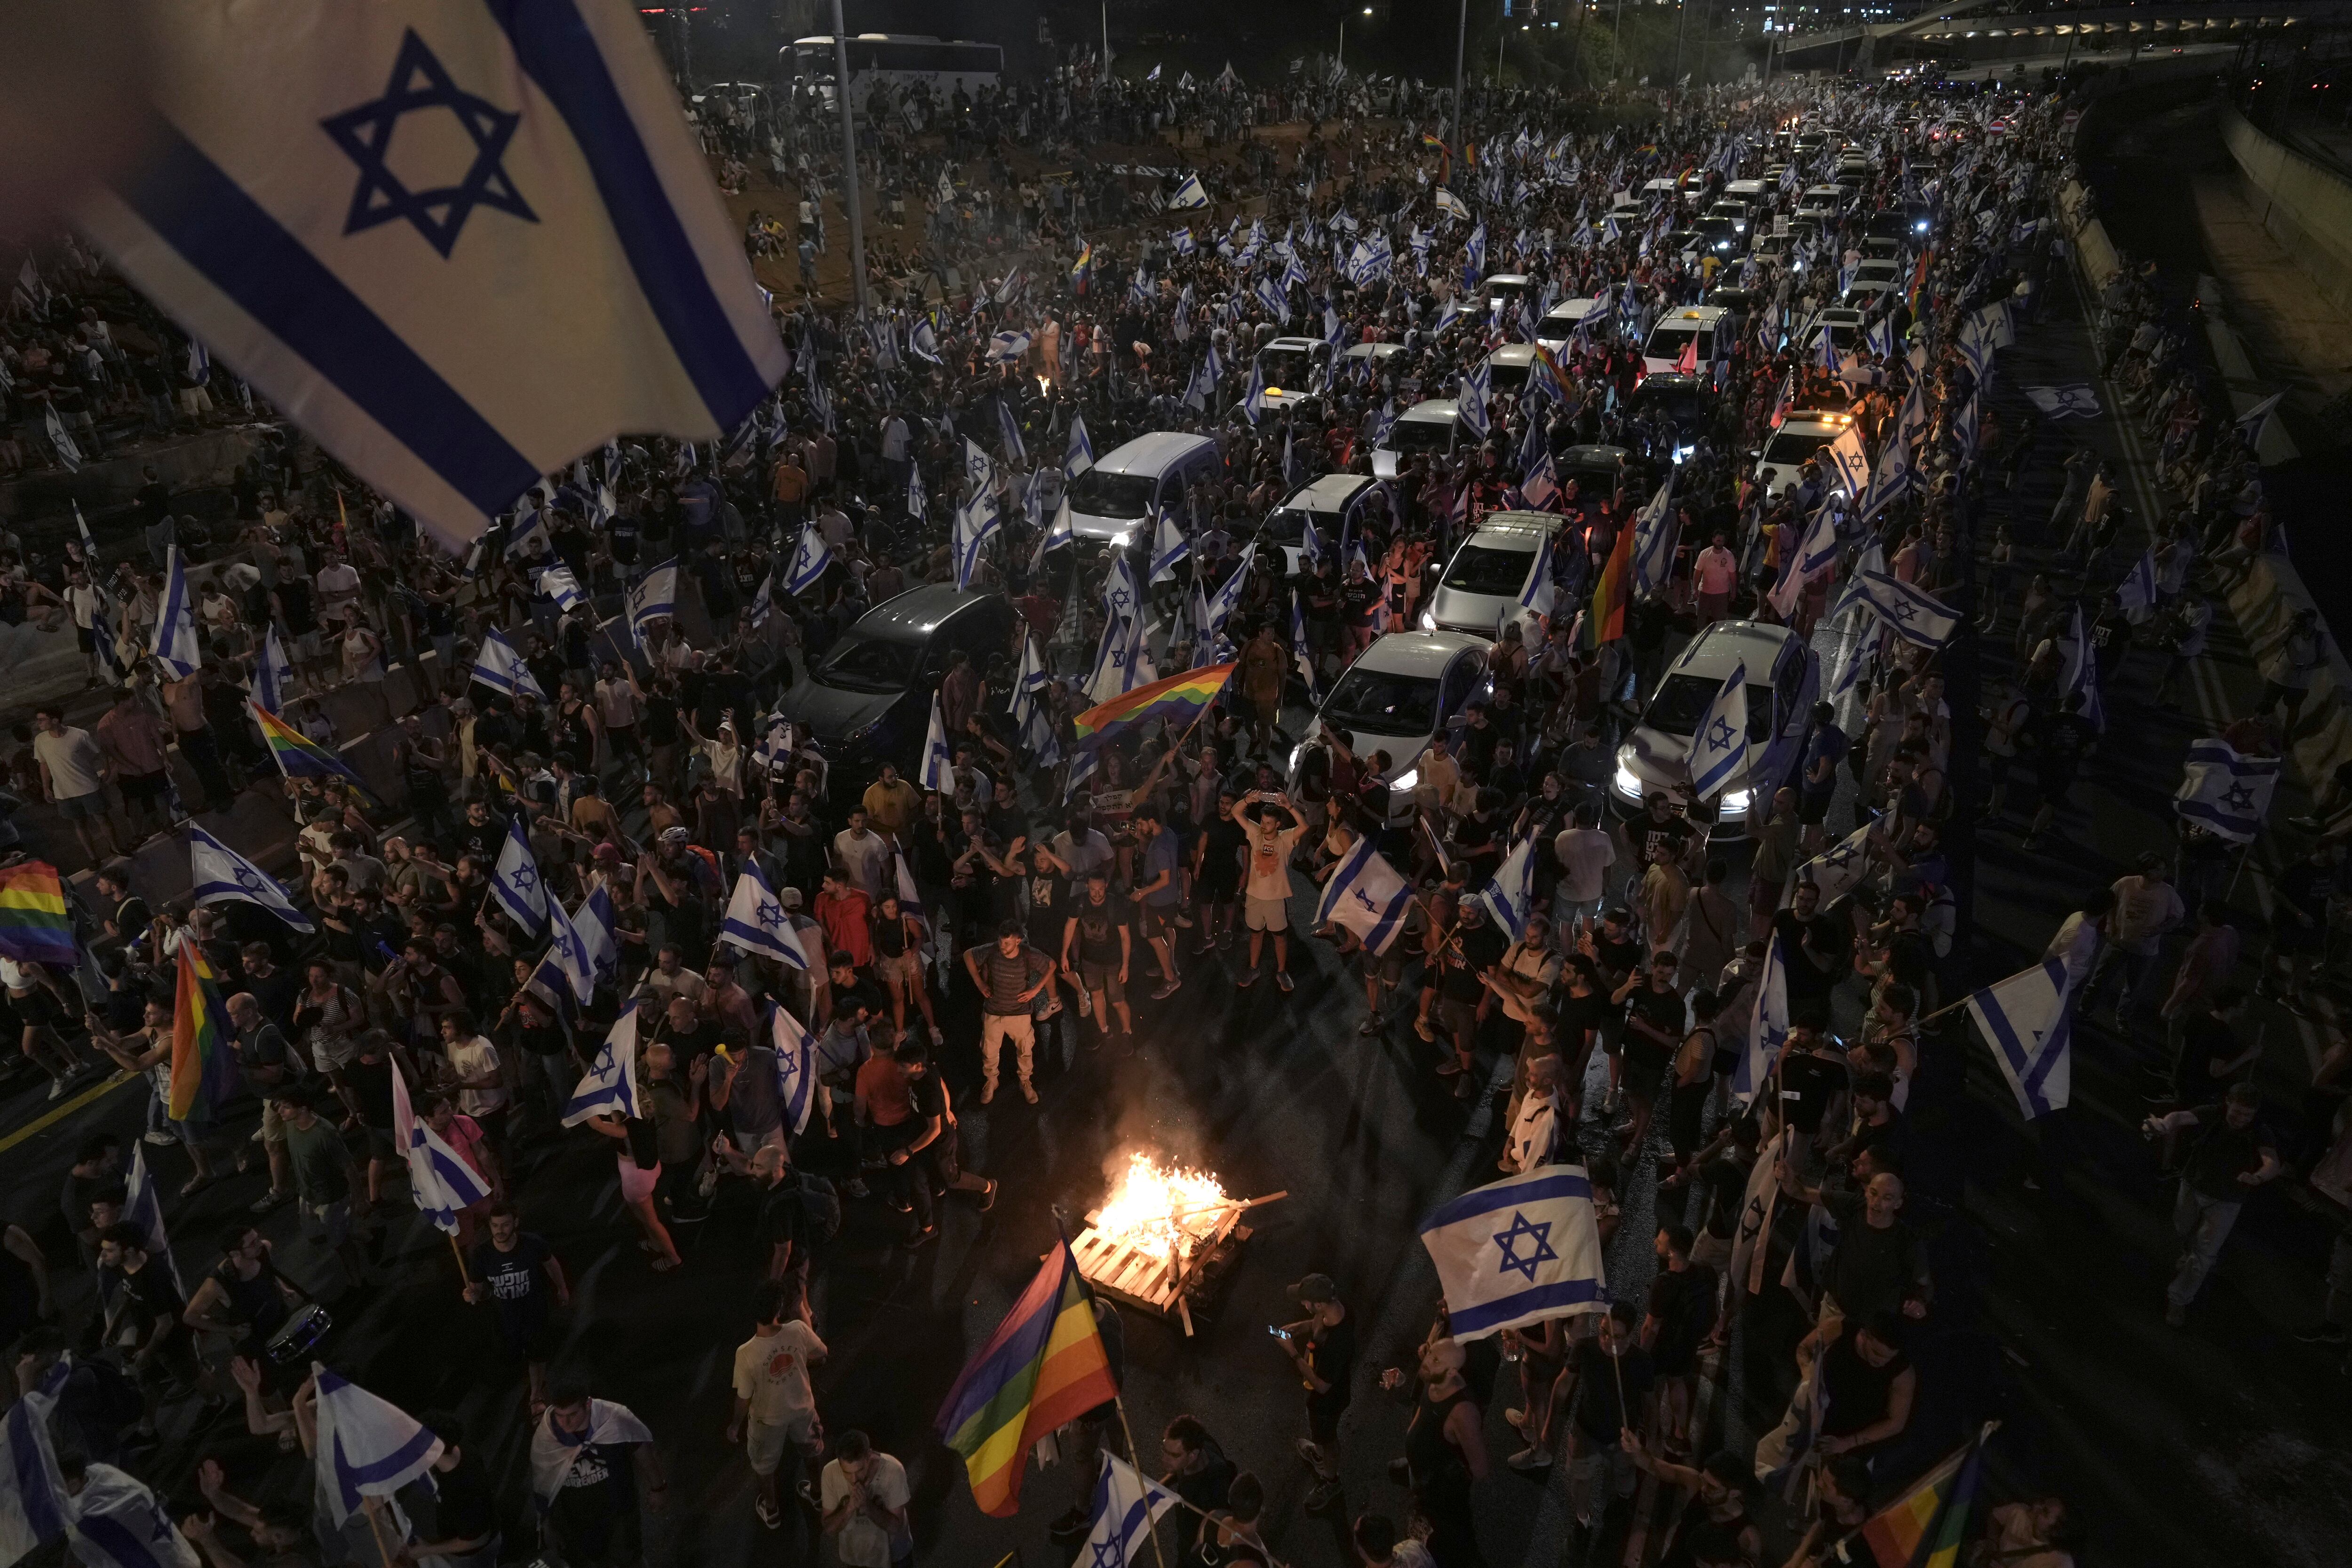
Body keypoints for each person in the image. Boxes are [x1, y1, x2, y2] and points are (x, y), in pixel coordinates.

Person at [2146, 1082, 2283, 1325]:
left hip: (2228, 1201)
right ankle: (2187, 1254)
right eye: (2237, 1112)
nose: (2242, 1119)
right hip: (2193, 1186)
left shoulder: (2261, 1131)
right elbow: (2180, 1116)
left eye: (2248, 1115)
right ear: (2228, 1103)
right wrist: (2165, 1125)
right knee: (2183, 1229)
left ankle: (2178, 1300)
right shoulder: (2211, 1113)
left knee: (2205, 1255)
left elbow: (2271, 1161)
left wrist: (2258, 1177)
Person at [531, 1376, 664, 1568]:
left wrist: (659, 1488)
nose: (565, 1423)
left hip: (620, 1509)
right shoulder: (547, 1434)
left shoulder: (614, 1418)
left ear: (588, 1404)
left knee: (630, 1559)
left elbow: (641, 1450)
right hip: (578, 1517)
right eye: (560, 1415)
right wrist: (547, 1523)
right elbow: (543, 1479)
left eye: (572, 1414)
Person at [730, 1277, 827, 1533]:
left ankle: (772, 1510)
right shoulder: (797, 1330)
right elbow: (822, 1353)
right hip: (803, 1409)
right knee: (812, 1450)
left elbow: (744, 1398)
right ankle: (817, 1494)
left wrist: (735, 1426)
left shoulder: (746, 1353)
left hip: (767, 1420)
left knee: (764, 1465)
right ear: (780, 1308)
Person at [464, 1204, 569, 1415]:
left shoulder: (533, 1244)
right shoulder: (482, 1254)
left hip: (534, 1310)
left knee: (537, 1353)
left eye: (505, 1225)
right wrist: (471, 1295)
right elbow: (478, 1289)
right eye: (495, 1225)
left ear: (516, 1223)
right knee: (509, 1354)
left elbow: (551, 1265)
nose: (500, 1230)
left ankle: (536, 1396)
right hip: (503, 1315)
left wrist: (562, 1289)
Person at [1561, 1303, 1651, 1543]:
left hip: (1623, 1435)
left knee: (1625, 1475)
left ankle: (1623, 1500)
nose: (1607, 1340)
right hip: (1586, 1431)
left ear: (1630, 1336)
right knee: (1580, 1478)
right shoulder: (1584, 1348)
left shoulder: (1641, 1361)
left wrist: (1649, 1436)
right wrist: (1548, 1423)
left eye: (1617, 1336)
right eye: (1604, 1331)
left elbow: (1649, 1400)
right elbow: (1563, 1384)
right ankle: (1582, 1518)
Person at [1279, 1273, 1356, 1514]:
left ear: (1320, 1304)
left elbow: (1322, 1385)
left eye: (1306, 1303)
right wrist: (1299, 1328)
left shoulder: (1339, 1342)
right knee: (1321, 1436)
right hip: (1319, 1397)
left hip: (1328, 1402)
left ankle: (1331, 1481)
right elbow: (1317, 1323)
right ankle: (1319, 1453)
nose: (1303, 1305)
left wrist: (1292, 1352)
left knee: (1328, 1438)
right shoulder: (1335, 1310)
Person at [962, 919, 1052, 1105]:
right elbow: (968, 955)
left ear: (1018, 941)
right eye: (1001, 941)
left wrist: (1036, 990)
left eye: (1008, 942)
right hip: (993, 1012)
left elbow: (1051, 965)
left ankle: (1025, 1081)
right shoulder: (992, 950)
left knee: (1025, 1050)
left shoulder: (1028, 955)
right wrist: (980, 983)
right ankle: (991, 1081)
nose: (1003, 946)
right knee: (989, 1051)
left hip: (1020, 1013)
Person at [1235, 790, 1308, 991]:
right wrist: (1247, 799)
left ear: (1278, 824)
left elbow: (1304, 826)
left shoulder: (1285, 840)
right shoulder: (1255, 833)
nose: (1264, 826)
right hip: (1254, 897)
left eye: (1268, 823)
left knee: (1279, 936)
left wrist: (1289, 806)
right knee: (1256, 934)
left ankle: (1282, 971)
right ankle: (1253, 968)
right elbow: (1236, 812)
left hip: (1275, 899)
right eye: (1263, 821)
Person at [818, 1430, 914, 1568]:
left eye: (860, 1471)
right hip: (856, 1559)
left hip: (896, 1558)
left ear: (869, 1456)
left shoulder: (893, 1470)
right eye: (847, 1473)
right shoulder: (829, 1473)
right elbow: (830, 1529)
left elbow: (895, 1527)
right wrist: (850, 1508)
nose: (854, 1479)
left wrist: (867, 1507)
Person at [1160, 1416, 1237, 1562]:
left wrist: (1191, 1557)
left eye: (1174, 1455)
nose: (1165, 1459)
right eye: (1165, 1450)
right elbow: (1179, 1471)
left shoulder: (1213, 1490)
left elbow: (1216, 1532)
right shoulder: (1201, 1444)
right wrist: (1159, 1488)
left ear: (1193, 1455)